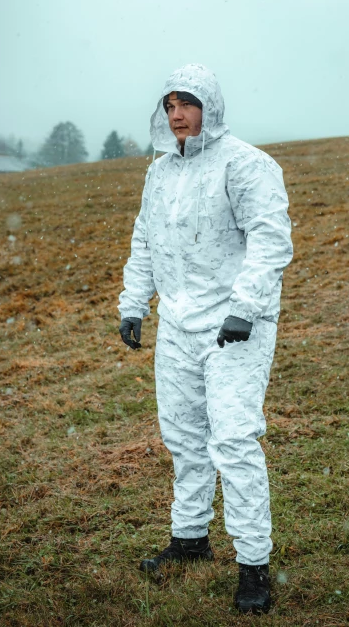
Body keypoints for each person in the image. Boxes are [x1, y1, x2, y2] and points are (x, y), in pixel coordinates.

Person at [117, 63, 293, 615]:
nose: (177, 115)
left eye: (187, 103)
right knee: (184, 436)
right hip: (177, 324)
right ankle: (189, 538)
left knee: (234, 439)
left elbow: (270, 238)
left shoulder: (246, 164)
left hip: (234, 327)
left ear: (209, 106)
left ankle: (254, 565)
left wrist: (245, 307)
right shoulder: (159, 172)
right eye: (169, 105)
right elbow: (145, 239)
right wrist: (134, 303)